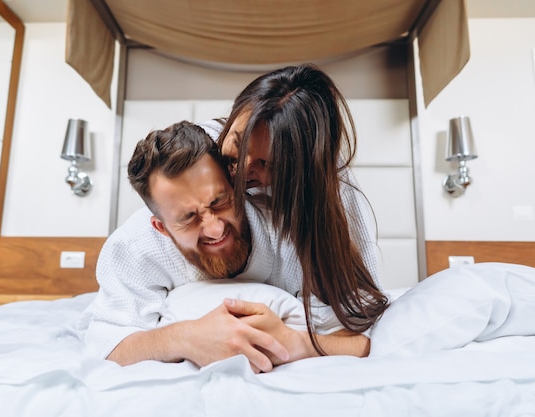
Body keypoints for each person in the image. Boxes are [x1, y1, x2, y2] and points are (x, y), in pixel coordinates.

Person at [79, 121, 371, 373]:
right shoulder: (133, 248)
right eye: (189, 218)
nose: (215, 228)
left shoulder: (291, 233)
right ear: (162, 228)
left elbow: (359, 341)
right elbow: (106, 346)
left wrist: (297, 343)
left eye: (220, 202)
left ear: (236, 184)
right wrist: (186, 338)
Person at [215, 64, 389, 355]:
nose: (243, 169)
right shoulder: (197, 154)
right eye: (238, 143)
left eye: (266, 164)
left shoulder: (336, 194)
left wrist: (296, 343)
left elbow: (367, 333)